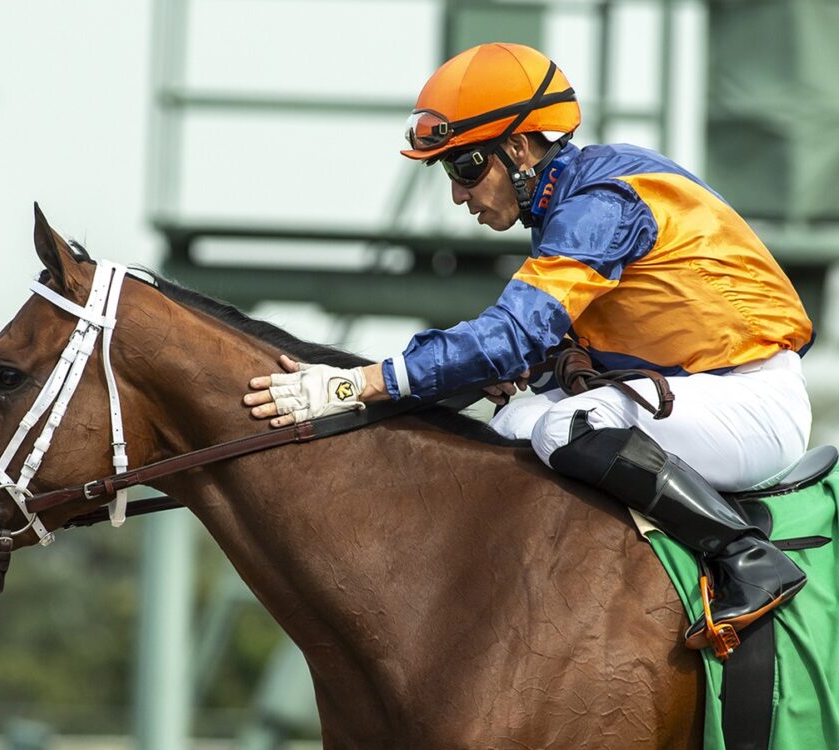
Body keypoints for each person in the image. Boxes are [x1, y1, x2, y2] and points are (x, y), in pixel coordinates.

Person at [241, 43, 814, 650]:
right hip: (689, 393)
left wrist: (352, 383)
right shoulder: (567, 202)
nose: (459, 195)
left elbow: (513, 334)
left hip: (751, 401)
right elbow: (524, 349)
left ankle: (748, 558)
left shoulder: (602, 203)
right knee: (515, 423)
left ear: (518, 149)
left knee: (563, 428)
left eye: (465, 168)